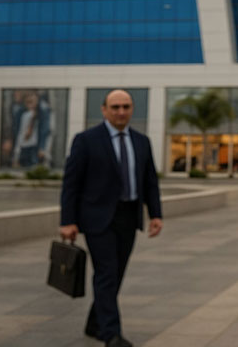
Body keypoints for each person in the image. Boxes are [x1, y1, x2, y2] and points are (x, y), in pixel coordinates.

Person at [60, 89, 163, 347]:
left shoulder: (141, 141)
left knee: (116, 274)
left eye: (126, 107)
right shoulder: (86, 140)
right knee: (106, 272)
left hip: (129, 216)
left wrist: (156, 214)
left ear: (132, 109)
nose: (121, 112)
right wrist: (67, 220)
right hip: (98, 218)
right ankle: (111, 334)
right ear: (104, 110)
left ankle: (94, 323)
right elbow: (71, 184)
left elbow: (150, 181)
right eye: (115, 107)